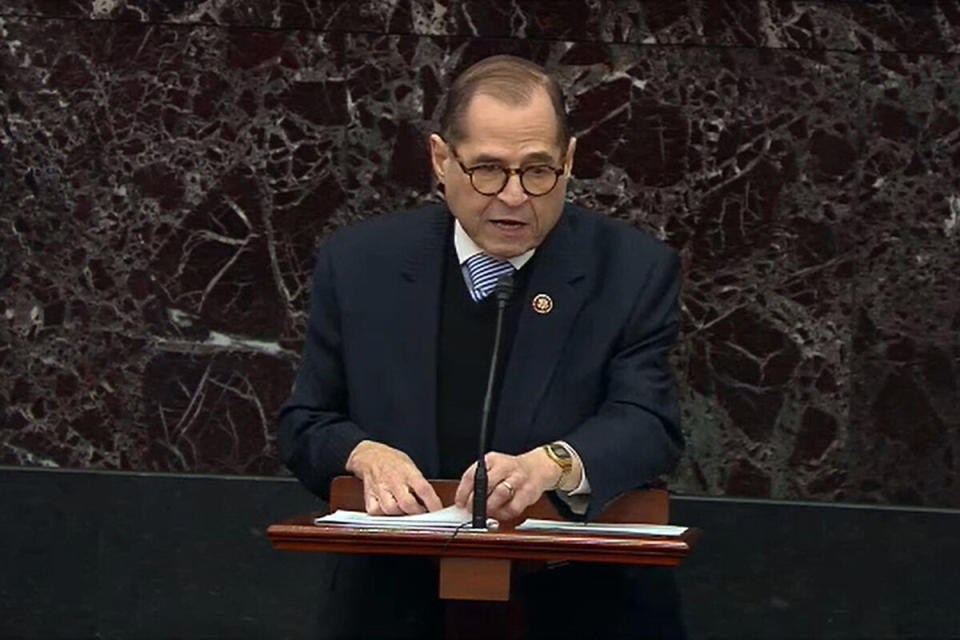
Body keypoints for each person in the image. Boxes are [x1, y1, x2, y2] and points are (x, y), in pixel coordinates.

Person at [278, 55, 685, 639]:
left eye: (538, 171)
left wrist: (552, 465)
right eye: (488, 170)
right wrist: (364, 453)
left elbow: (649, 423)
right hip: (394, 605)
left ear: (569, 161)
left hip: (583, 603)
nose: (515, 197)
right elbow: (305, 423)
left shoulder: (631, 271)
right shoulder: (362, 265)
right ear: (442, 160)